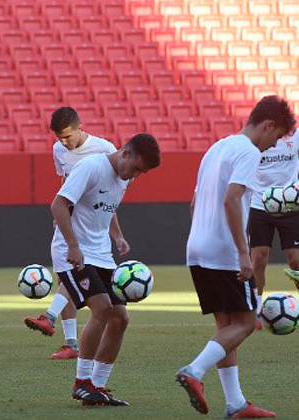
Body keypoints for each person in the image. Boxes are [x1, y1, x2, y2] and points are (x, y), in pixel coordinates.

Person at [176, 95, 295, 418]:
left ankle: (235, 404)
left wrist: (207, 236)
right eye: (276, 137)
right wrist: (243, 254)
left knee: (226, 325)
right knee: (245, 322)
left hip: (197, 247)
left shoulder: (217, 148)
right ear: (268, 125)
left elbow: (193, 204)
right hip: (224, 251)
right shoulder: (247, 152)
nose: (273, 146)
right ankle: (194, 371)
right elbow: (232, 200)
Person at [53, 133, 160, 406]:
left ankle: (97, 386)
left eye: (141, 173)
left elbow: (107, 209)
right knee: (102, 309)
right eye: (136, 168)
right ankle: (81, 383)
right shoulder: (91, 167)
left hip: (101, 255)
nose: (135, 176)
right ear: (125, 153)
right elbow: (59, 205)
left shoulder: (123, 179)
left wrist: (118, 236)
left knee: (120, 318)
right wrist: (73, 245)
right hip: (74, 254)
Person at [25, 107, 125, 360]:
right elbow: (65, 185)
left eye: (67, 136)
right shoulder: (59, 150)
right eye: (59, 138)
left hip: (93, 229)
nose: (63, 142)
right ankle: (70, 343)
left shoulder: (105, 149)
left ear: (81, 128)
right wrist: (61, 212)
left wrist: (117, 234)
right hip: (71, 223)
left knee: (79, 276)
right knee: (66, 277)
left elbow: (108, 196)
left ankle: (50, 316)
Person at [247, 129, 299, 328]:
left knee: (296, 261)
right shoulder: (258, 139)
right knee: (258, 258)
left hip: (290, 205)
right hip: (260, 204)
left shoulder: (295, 136)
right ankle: (256, 311)